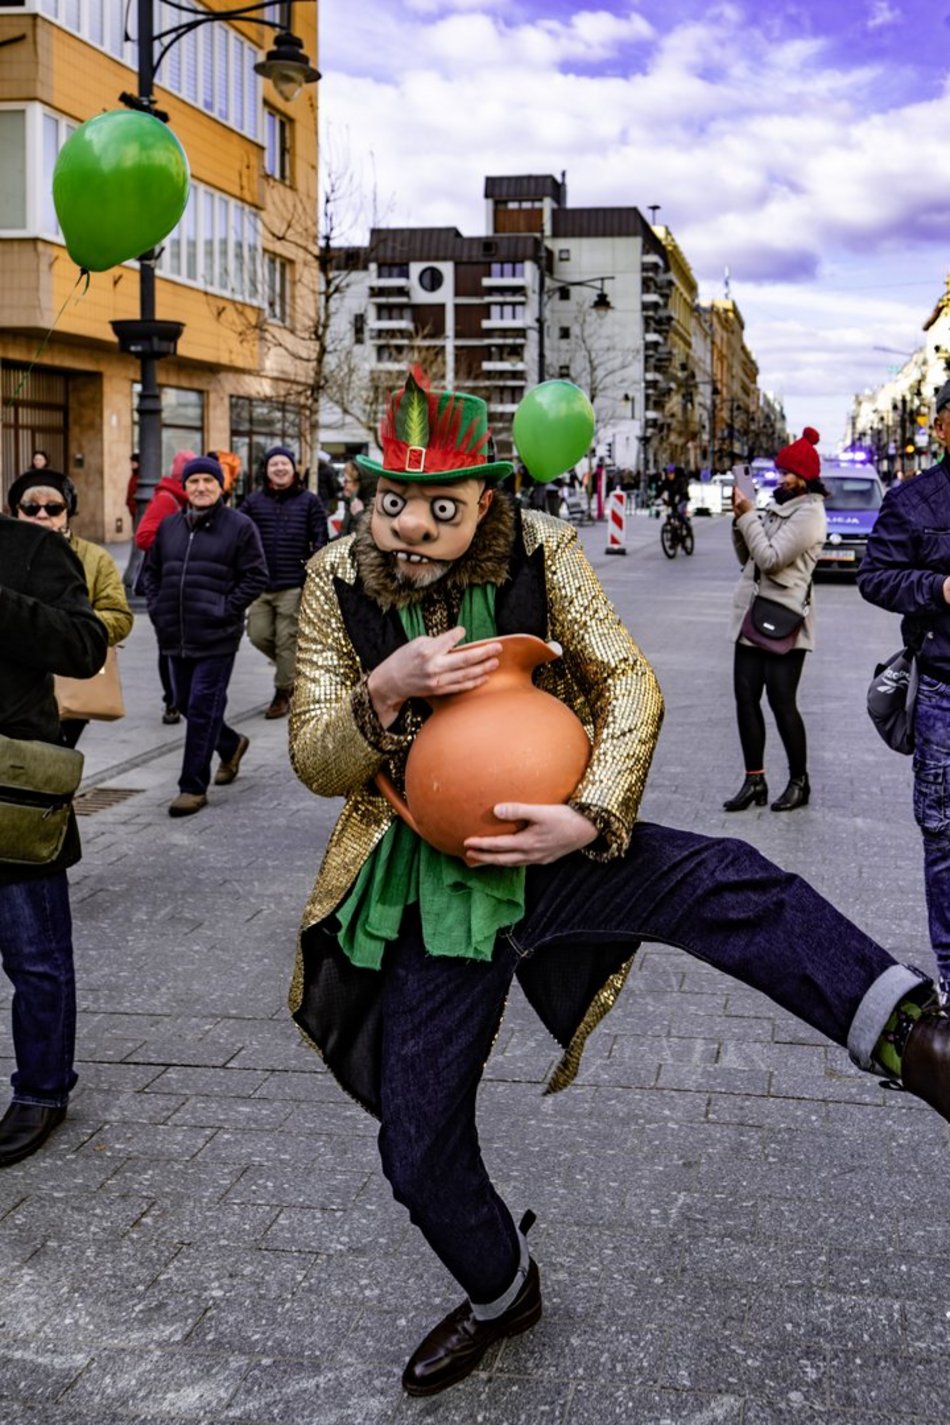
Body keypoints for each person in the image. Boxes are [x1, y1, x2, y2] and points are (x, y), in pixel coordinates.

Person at [288, 372, 950, 1398]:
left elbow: (628, 682)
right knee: (415, 1149)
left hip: (560, 846)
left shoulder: (543, 549)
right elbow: (312, 756)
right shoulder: (335, 580)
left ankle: (913, 1036)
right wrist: (384, 689)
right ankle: (502, 1291)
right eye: (391, 501)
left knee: (726, 880)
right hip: (425, 883)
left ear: (485, 498)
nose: (409, 527)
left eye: (438, 506)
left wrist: (590, 814)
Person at [0, 512, 108, 1166]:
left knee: (35, 957)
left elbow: (85, 645)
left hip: (10, 792)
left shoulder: (32, 548)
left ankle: (42, 1089)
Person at [859, 379, 950, 1001]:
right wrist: (939, 590)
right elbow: (875, 576)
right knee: (944, 838)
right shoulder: (914, 500)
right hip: (944, 693)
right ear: (940, 427)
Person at [141, 455, 267, 817]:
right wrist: (158, 608)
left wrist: (225, 608)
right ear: (184, 487)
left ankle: (192, 786)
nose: (200, 487)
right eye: (194, 481)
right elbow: (151, 573)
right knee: (184, 702)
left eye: (208, 481)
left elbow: (256, 576)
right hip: (175, 633)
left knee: (201, 706)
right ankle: (230, 744)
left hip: (216, 636)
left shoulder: (239, 526)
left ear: (220, 486)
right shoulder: (170, 526)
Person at [724, 427, 827, 813]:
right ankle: (755, 780)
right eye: (780, 471)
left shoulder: (809, 514)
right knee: (745, 698)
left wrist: (750, 517)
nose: (781, 478)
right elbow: (749, 559)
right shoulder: (776, 507)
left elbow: (770, 559)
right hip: (754, 613)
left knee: (782, 702)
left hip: (786, 620)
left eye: (788, 473)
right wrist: (739, 520)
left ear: (805, 478)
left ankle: (800, 781)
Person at [8, 470, 133, 748]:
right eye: (30, 507)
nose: (42, 515)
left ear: (67, 512)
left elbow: (120, 616)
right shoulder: (8, 552)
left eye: (53, 508)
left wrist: (73, 629)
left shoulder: (94, 557)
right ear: (17, 511)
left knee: (55, 758)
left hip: (70, 677)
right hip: (17, 690)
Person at [241, 446, 328, 719]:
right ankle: (294, 669)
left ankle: (283, 693)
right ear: (266, 470)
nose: (279, 468)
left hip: (293, 583)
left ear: (293, 468)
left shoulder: (309, 501)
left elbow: (321, 539)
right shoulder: (253, 502)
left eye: (284, 464)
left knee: (286, 639)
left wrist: (312, 573)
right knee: (257, 634)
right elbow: (238, 534)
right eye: (274, 464)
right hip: (260, 584)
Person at [135, 449, 196, 725]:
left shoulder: (188, 500)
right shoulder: (166, 498)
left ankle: (182, 696)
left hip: (189, 584)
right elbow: (144, 536)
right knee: (168, 644)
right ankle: (172, 701)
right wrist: (180, 545)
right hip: (166, 584)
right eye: (193, 478)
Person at [339, 460, 377, 536]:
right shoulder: (353, 500)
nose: (343, 484)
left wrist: (359, 515)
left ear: (360, 483)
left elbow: (370, 535)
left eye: (346, 481)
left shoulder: (373, 506)